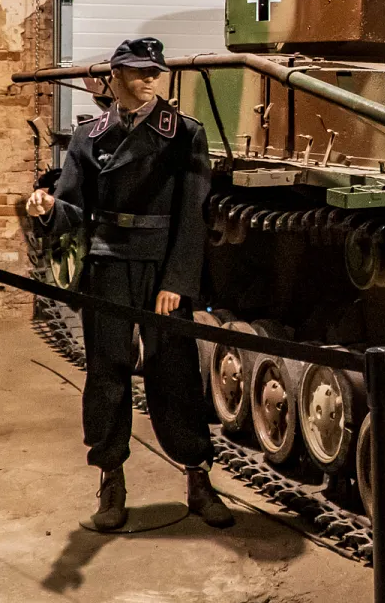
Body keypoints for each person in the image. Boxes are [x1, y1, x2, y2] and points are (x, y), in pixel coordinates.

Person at [26, 37, 234, 531]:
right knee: (107, 371)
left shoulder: (183, 134)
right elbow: (75, 209)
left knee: (174, 372)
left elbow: (192, 215)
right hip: (107, 263)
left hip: (160, 267)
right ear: (113, 77)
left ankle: (198, 477)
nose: (149, 80)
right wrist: (49, 209)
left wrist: (177, 281)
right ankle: (111, 479)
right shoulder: (88, 137)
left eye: (154, 72)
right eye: (138, 72)